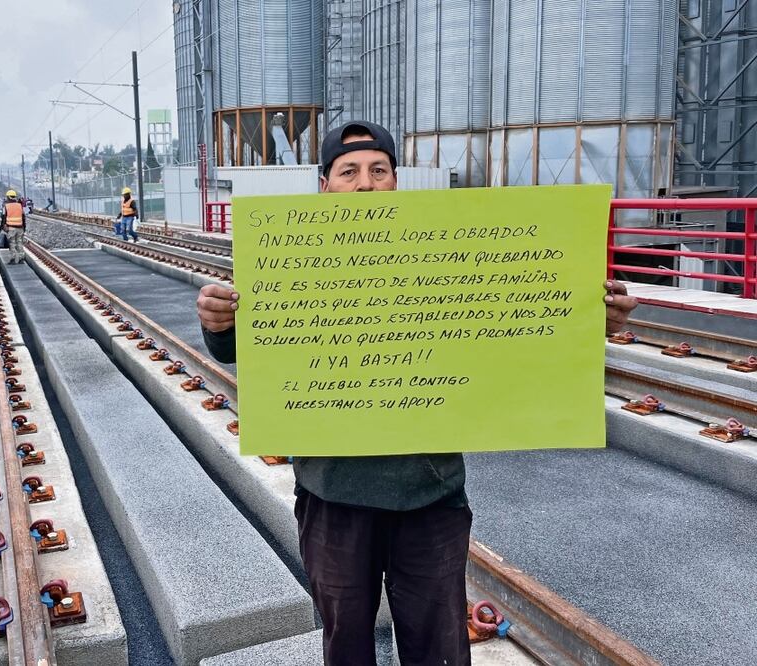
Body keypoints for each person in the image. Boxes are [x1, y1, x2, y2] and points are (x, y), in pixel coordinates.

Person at [195, 120, 639, 666]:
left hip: (431, 497)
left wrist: (596, 319)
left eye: (379, 171)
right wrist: (217, 323)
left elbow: (514, 329)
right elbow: (239, 347)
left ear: (396, 183)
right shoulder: (288, 260)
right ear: (325, 186)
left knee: (438, 647)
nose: (365, 183)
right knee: (345, 644)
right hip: (333, 493)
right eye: (349, 172)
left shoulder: (442, 249)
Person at [0, 189, 26, 264]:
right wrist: (24, 228)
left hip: (11, 228)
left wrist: (1, 228)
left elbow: (3, 218)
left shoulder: (6, 206)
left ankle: (13, 259)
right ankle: (21, 259)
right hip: (20, 228)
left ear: (8, 197)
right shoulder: (20, 206)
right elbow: (23, 217)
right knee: (20, 243)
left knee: (12, 244)